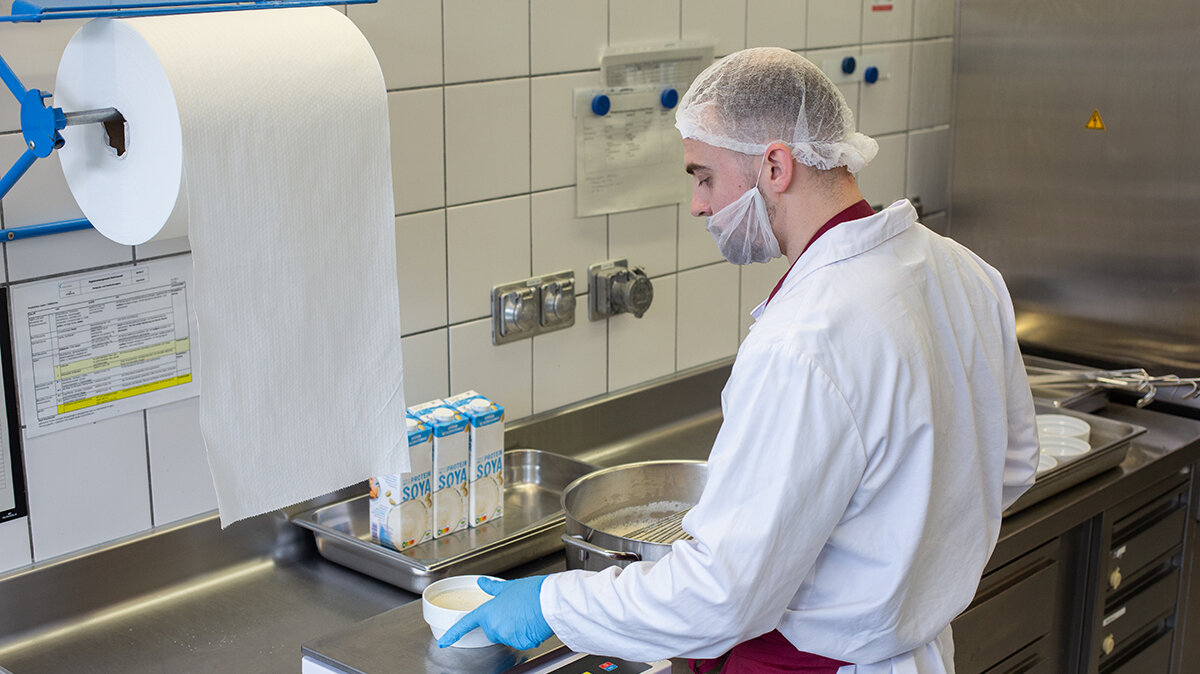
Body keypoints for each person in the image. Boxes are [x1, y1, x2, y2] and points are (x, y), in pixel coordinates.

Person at [438, 47, 1040, 674]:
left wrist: (554, 604)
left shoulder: (804, 341)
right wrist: (893, 556)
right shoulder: (965, 272)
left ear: (776, 165)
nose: (698, 205)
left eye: (703, 176)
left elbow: (720, 597)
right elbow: (1014, 462)